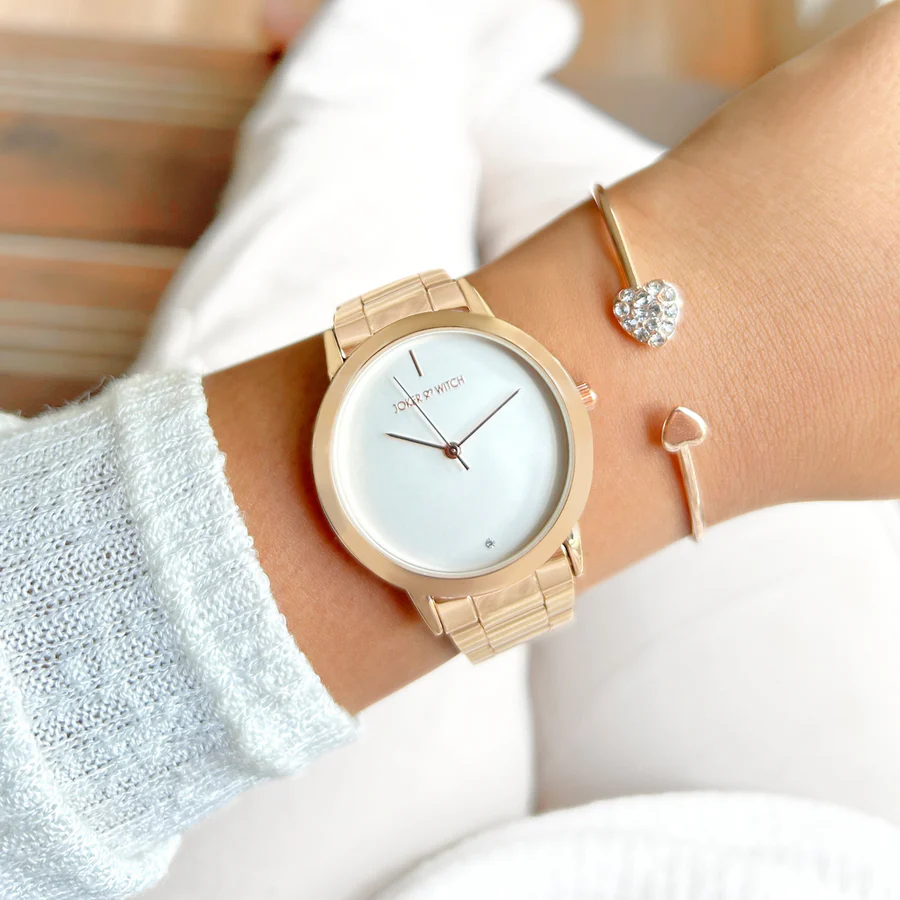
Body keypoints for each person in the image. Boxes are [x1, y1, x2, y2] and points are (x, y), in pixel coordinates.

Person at [2, 1, 900, 897]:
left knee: (363, 172)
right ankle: (447, 60)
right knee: (584, 184)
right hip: (820, 838)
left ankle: (404, 38)